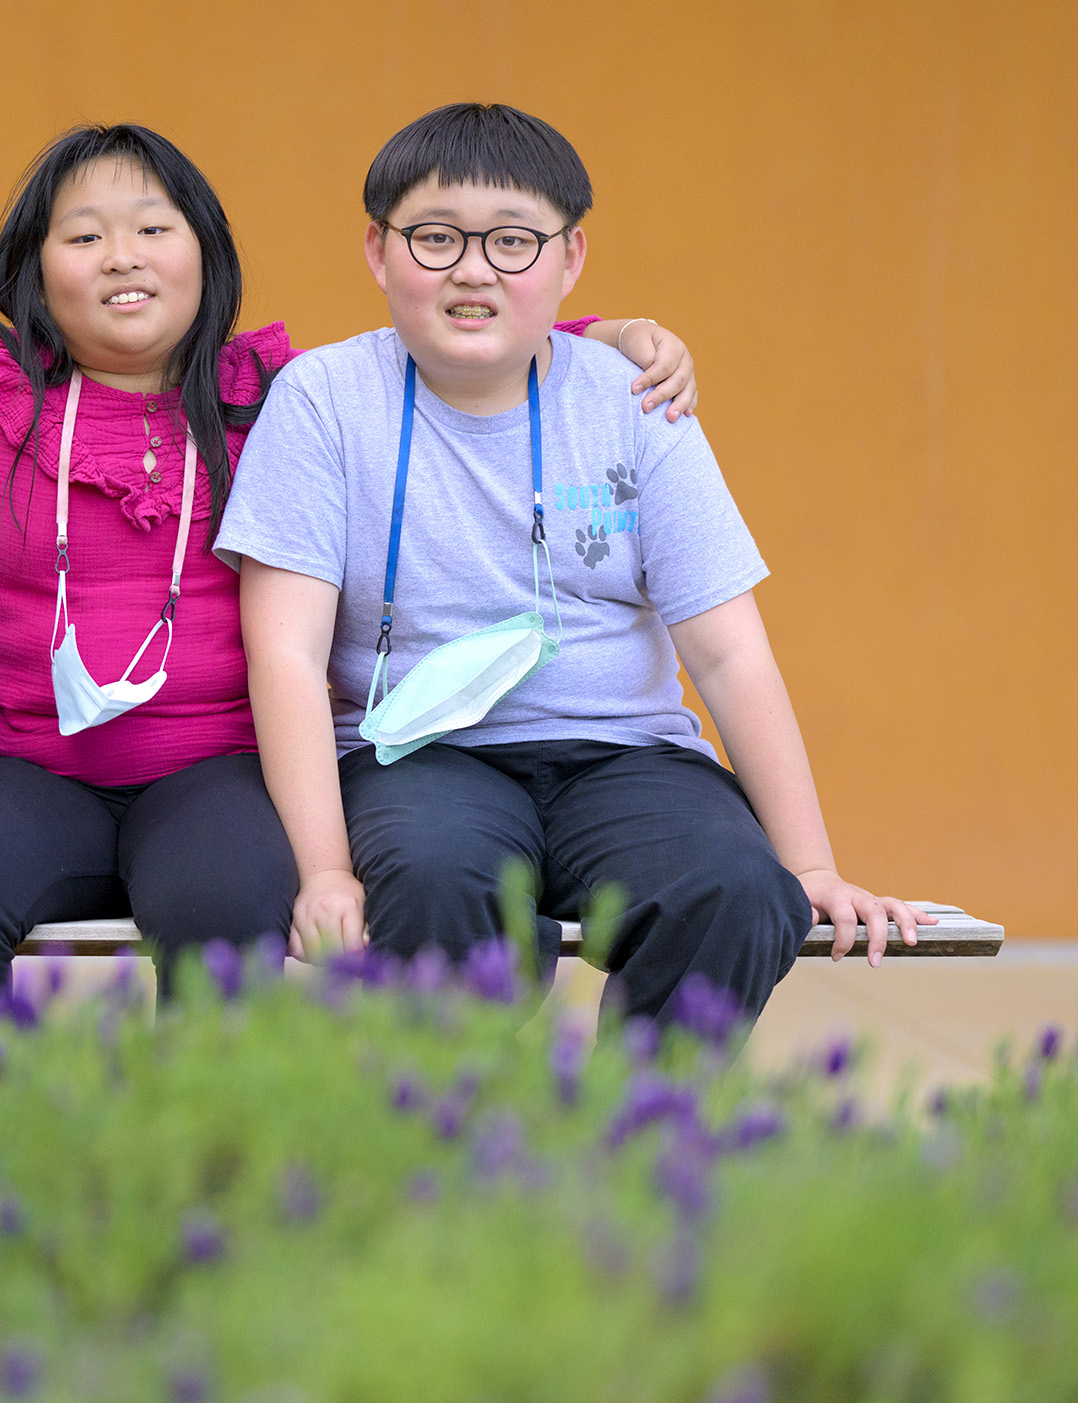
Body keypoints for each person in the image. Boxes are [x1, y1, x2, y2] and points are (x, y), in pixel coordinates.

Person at [0, 124, 701, 970]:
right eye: (82, 236)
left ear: (203, 253)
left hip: (215, 768)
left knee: (226, 907)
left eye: (152, 228)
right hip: (27, 764)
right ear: (39, 270)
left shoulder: (282, 396)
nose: (120, 257)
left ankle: (206, 1187)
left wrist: (595, 332)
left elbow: (440, 349)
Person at [216, 102, 930, 1022]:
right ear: (378, 250)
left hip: (626, 756)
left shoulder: (633, 398)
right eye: (435, 237)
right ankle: (465, 1151)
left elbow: (727, 651)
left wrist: (811, 866)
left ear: (570, 259)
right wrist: (323, 868)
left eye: (513, 241)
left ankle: (633, 1148)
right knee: (434, 881)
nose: (473, 270)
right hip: (418, 757)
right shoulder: (322, 400)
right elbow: (285, 654)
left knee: (739, 893)